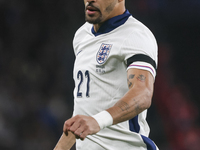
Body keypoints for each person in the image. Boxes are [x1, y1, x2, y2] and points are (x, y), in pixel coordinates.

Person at [63, 0, 159, 149]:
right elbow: (84, 111)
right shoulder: (82, 36)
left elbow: (143, 94)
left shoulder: (136, 35)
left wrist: (98, 121)